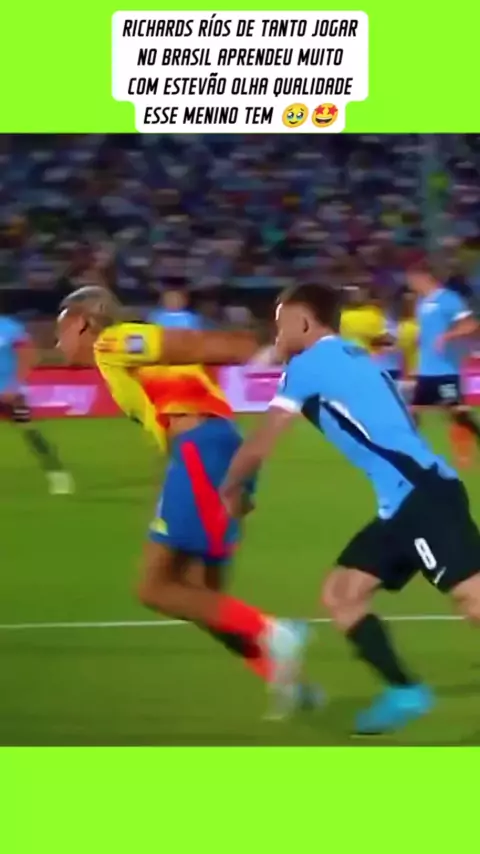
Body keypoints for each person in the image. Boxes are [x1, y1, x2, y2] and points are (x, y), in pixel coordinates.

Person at [220, 282, 480, 735]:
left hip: (421, 495)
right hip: (403, 499)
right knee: (343, 592)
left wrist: (229, 490)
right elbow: (401, 419)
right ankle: (405, 691)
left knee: (473, 599)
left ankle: (404, 690)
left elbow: (261, 442)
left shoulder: (306, 366)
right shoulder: (354, 354)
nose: (276, 332)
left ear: (304, 322)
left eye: (281, 322)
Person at [56, 286, 314, 718]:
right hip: (219, 448)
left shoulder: (112, 341)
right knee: (205, 597)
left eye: (61, 328)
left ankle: (275, 633)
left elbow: (190, 344)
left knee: (155, 587)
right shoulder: (130, 363)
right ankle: (286, 681)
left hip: (202, 453)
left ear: (81, 322)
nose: (58, 340)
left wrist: (255, 349)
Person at [407, 259, 480, 467]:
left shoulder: (448, 299)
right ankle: (410, 453)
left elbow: (471, 325)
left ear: (425, 277)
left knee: (458, 413)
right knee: (412, 412)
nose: (411, 284)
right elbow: (426, 334)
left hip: (445, 369)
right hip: (427, 369)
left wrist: (447, 336)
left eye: (412, 279)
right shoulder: (422, 303)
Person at [0, 313, 73, 494]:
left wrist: (14, 385)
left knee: (29, 432)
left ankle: (57, 475)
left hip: (9, 391)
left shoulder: (9, 328)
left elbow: (29, 357)